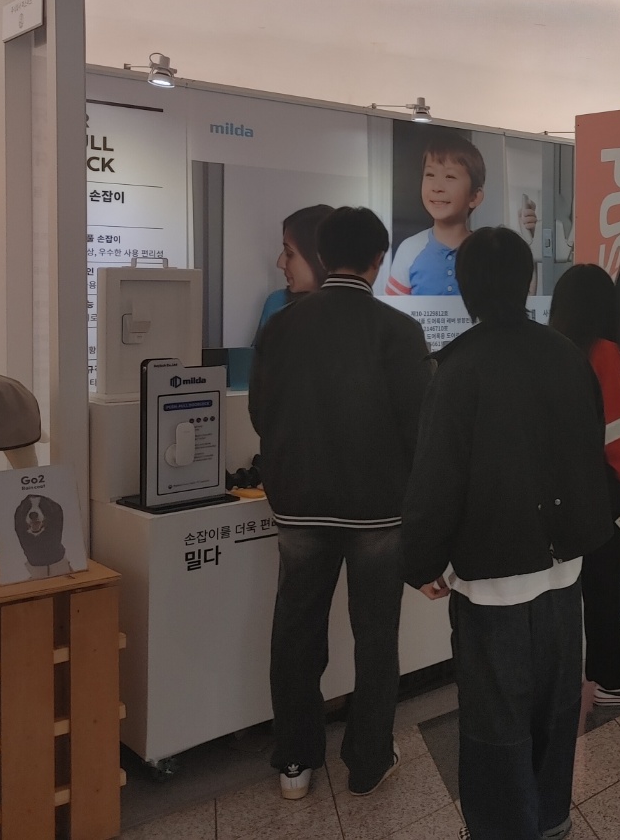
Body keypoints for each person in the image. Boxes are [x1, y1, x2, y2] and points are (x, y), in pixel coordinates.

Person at [400, 227, 614, 840]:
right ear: (529, 281)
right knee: (556, 706)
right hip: (563, 568)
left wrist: (421, 561)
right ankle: (552, 818)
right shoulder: (566, 354)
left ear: (465, 287)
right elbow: (589, 448)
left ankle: (504, 828)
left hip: (491, 575)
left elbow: (437, 477)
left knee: (496, 717)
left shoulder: (456, 368)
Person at [248, 207, 433, 801]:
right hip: (378, 510)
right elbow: (418, 427)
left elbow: (260, 413)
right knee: (376, 636)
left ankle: (295, 761)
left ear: (323, 256)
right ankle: (369, 761)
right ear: (379, 260)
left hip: (298, 504)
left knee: (296, 631)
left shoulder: (281, 326)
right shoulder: (398, 330)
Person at [549, 263, 620, 707]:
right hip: (602, 486)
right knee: (605, 585)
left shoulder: (553, 348)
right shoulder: (606, 352)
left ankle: (563, 679)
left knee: (565, 588)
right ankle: (613, 681)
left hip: (561, 483)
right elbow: (618, 429)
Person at [385, 131, 486, 296]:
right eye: (430, 175)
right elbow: (393, 309)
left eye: (450, 176)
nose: (437, 187)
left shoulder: (486, 252)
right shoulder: (409, 250)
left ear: (474, 196)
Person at [256, 204, 333, 333]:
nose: (280, 263)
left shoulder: (356, 313)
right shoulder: (277, 303)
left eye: (289, 253)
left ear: (320, 258)